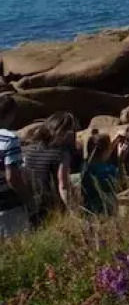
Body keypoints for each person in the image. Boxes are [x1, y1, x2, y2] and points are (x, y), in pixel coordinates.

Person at [24, 112, 78, 224]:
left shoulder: (30, 148)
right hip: (52, 204)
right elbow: (63, 185)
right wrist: (73, 211)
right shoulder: (61, 153)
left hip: (31, 202)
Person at [0, 95, 30, 238]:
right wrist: (27, 198)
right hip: (7, 207)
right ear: (11, 114)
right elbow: (12, 177)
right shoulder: (9, 139)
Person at [80, 131, 122, 217]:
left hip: (89, 208)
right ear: (104, 151)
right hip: (105, 210)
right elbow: (119, 184)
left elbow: (101, 152)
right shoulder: (108, 169)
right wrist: (120, 159)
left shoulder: (85, 165)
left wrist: (114, 142)